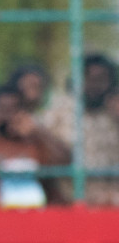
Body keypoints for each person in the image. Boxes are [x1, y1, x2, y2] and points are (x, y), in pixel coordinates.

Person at [0, 85, 69, 208]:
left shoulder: (34, 142)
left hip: (30, 218)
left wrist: (39, 131)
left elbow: (65, 161)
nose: (7, 117)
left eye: (12, 110)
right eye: (3, 109)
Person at [41, 54, 119, 206]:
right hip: (70, 203)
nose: (95, 85)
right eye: (89, 78)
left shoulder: (113, 113)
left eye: (101, 79)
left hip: (112, 204)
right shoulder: (59, 112)